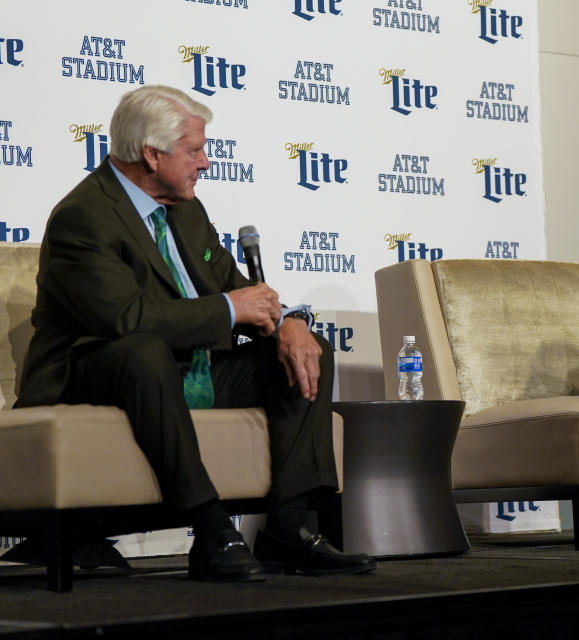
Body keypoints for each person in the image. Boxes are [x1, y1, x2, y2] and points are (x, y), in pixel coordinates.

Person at [15, 85, 376, 581]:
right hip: (92, 374)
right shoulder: (84, 217)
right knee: (143, 350)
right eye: (195, 150)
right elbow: (123, 319)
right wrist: (230, 308)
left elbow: (234, 287)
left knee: (306, 352)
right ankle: (210, 529)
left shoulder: (187, 209)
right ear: (151, 153)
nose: (206, 163)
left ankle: (289, 528)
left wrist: (290, 321)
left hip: (178, 367)